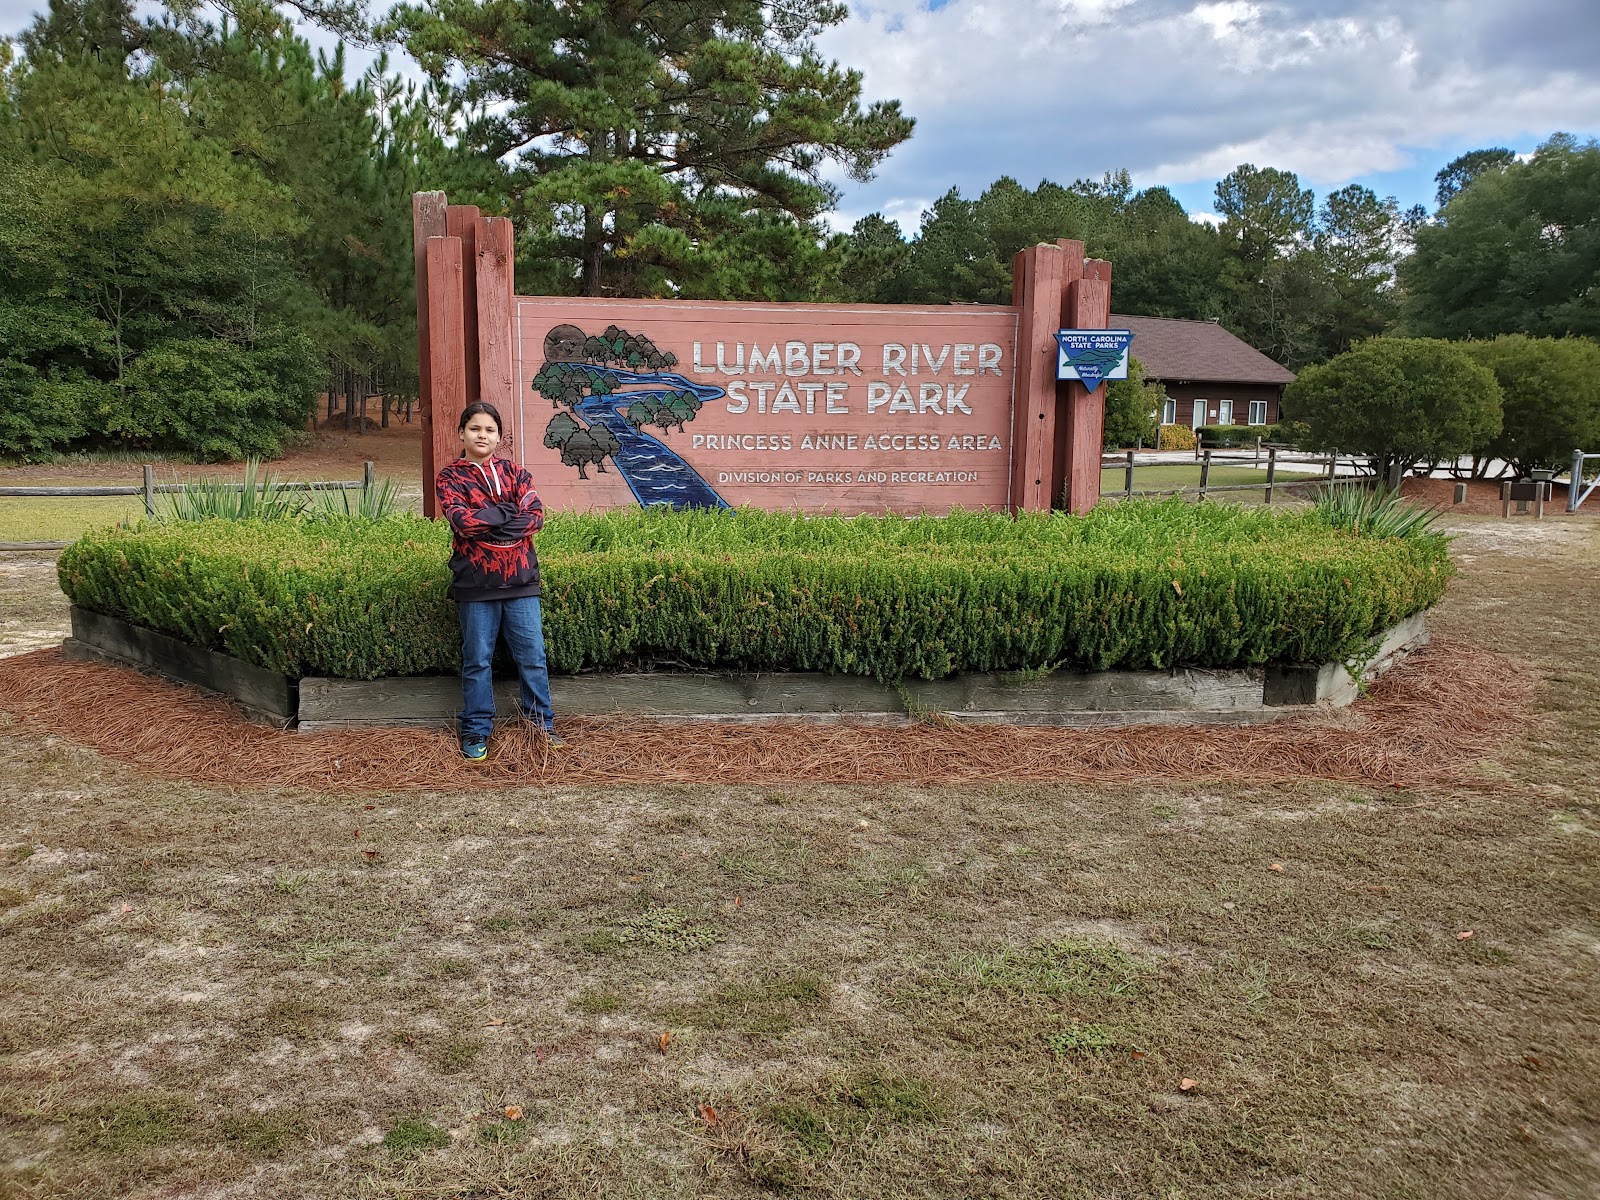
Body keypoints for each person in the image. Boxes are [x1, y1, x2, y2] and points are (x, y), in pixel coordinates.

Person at [436, 401, 561, 760]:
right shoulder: (450, 478)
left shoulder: (516, 474)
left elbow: (534, 517)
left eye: (490, 430)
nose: (482, 435)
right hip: (475, 585)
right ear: (462, 433)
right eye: (475, 428)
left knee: (533, 657)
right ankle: (476, 731)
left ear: (499, 437)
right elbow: (463, 522)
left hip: (521, 582)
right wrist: (509, 511)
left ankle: (541, 728)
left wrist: (492, 516)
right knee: (477, 660)